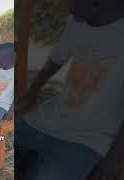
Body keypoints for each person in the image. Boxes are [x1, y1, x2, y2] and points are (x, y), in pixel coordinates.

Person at [17, 0, 124, 179]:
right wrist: (33, 91)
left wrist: (115, 158)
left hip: (87, 139)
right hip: (47, 120)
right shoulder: (76, 23)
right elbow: (57, 59)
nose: (68, 5)